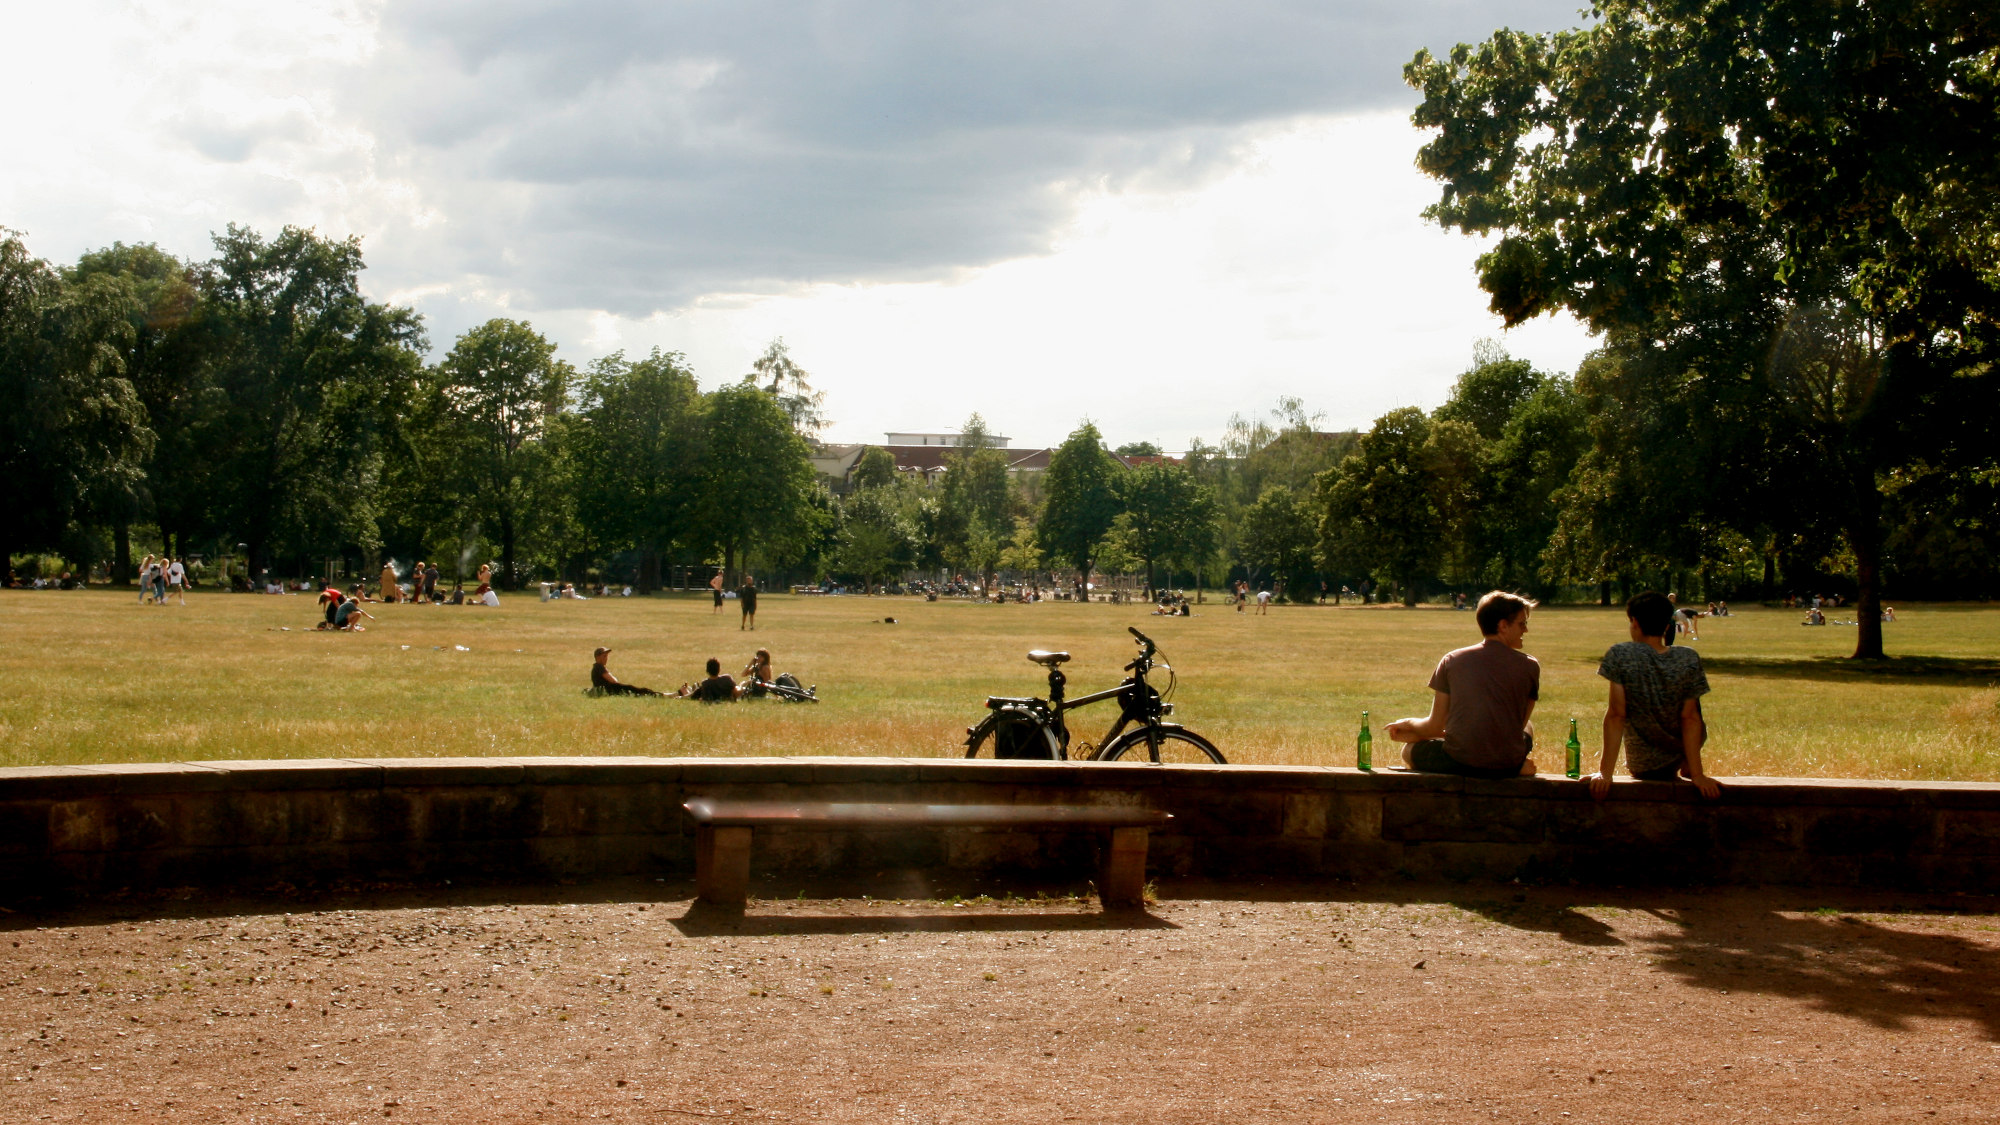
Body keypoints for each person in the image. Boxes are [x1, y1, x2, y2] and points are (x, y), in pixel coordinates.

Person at [1385, 591, 1541, 778]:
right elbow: (1512, 730)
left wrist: (1409, 724)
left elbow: (1434, 726)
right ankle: (1518, 767)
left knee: (1408, 750)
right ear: (1503, 626)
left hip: (1460, 761)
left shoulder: (1452, 660)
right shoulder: (1530, 666)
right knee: (1528, 726)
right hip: (1507, 763)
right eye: (1522, 623)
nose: (1526, 630)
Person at [1588, 591, 1720, 799]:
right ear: (1668, 626)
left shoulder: (1621, 654)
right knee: (1692, 698)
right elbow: (1691, 718)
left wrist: (1605, 773)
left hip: (1643, 764)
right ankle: (1688, 764)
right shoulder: (1688, 657)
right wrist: (1698, 775)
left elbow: (1616, 715)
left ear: (1635, 623)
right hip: (1678, 757)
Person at [590, 647, 664, 697]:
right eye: (604, 656)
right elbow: (613, 681)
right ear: (597, 657)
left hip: (608, 691)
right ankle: (664, 695)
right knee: (637, 691)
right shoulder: (599, 667)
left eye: (607, 656)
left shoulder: (596, 667)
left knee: (637, 690)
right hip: (611, 691)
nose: (606, 658)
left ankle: (664, 695)